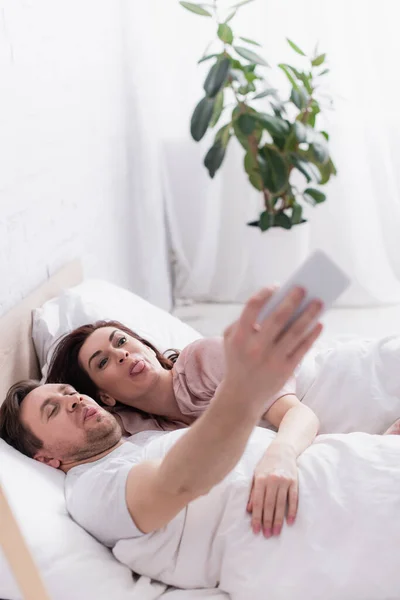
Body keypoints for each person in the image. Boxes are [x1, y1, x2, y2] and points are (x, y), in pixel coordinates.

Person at [1, 287, 400, 600]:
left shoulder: (147, 434)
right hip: (330, 510)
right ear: (45, 458)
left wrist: (368, 447)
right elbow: (177, 484)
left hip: (348, 436)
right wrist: (242, 389)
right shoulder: (94, 489)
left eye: (69, 391)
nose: (72, 400)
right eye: (53, 410)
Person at [46, 295, 322, 539]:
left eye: (121, 341)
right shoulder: (137, 431)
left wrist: (280, 455)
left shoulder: (205, 358)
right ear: (104, 397)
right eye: (103, 362)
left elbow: (297, 413)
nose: (121, 354)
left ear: (147, 346)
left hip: (316, 408)